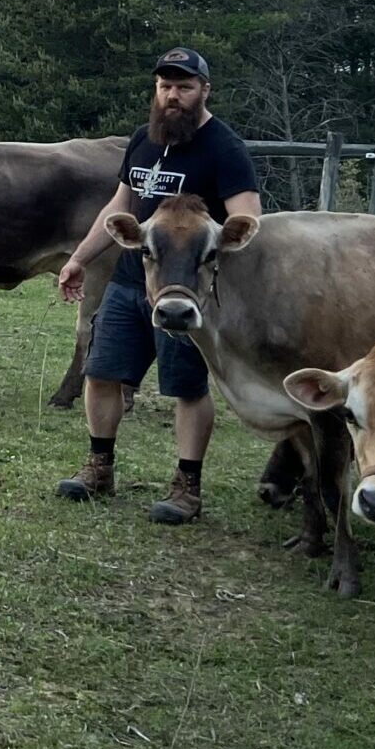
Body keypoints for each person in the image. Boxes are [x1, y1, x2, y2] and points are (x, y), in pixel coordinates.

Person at [52, 47, 262, 524]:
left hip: (187, 294)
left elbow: (247, 217)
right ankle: (99, 467)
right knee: (101, 373)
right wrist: (80, 258)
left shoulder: (224, 147)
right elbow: (119, 205)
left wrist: (213, 249)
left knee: (187, 388)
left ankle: (187, 487)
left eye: (184, 87)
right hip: (131, 281)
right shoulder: (144, 140)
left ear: (205, 91)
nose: (173, 96)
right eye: (165, 86)